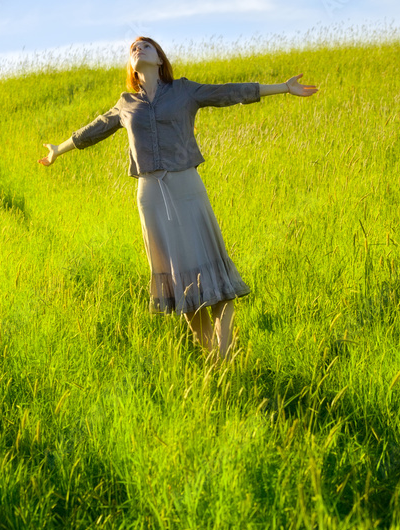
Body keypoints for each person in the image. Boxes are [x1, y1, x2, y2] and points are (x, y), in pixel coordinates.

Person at [39, 36, 318, 360]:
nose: (138, 49)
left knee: (214, 272)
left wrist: (282, 88)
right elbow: (95, 129)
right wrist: (58, 149)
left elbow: (228, 92)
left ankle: (225, 353)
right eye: (133, 49)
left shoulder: (184, 91)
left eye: (146, 46)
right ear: (132, 66)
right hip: (151, 196)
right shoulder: (125, 103)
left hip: (187, 187)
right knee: (181, 283)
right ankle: (213, 359)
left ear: (159, 59)